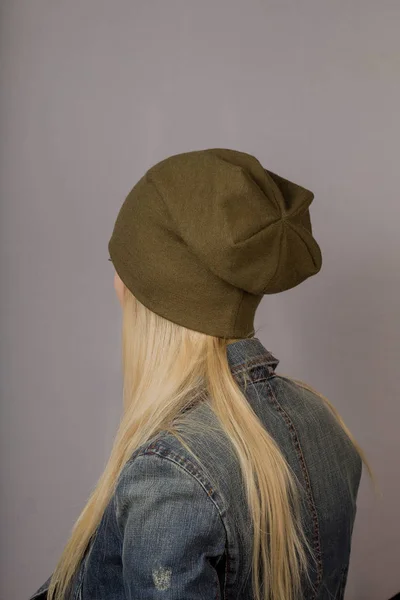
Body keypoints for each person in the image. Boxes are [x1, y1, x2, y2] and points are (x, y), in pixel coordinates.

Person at [30, 149, 367, 600]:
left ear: (148, 289)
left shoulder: (169, 473)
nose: (116, 282)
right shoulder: (324, 423)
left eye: (122, 265)